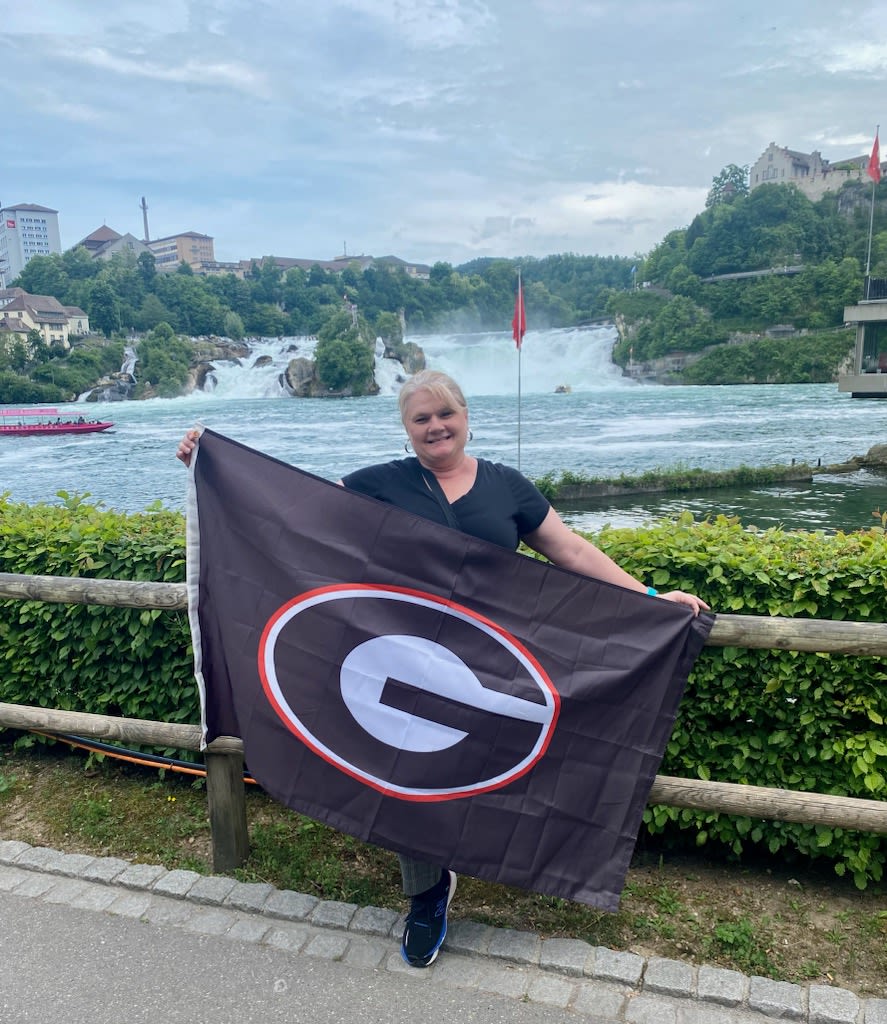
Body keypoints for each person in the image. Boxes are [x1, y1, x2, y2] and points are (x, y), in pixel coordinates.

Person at [176, 368, 709, 970]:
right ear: (406, 430)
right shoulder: (379, 484)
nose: (436, 427)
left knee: (499, 763)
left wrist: (647, 596)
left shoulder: (507, 487)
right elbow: (291, 510)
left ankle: (497, 858)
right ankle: (427, 895)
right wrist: (210, 465)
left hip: (496, 659)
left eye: (445, 414)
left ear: (465, 417)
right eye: (421, 418)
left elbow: (570, 550)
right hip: (407, 657)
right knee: (407, 777)